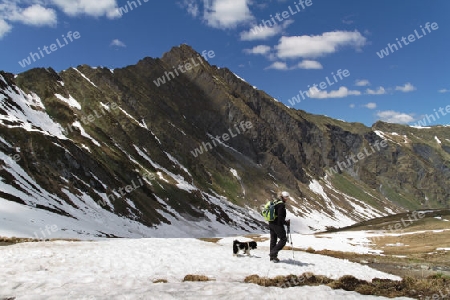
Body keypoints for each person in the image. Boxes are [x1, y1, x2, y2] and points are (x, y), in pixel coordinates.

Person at [269, 191, 290, 263]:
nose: (287, 199)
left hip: (271, 223)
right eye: (286, 197)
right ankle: (273, 253)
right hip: (277, 224)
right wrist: (286, 223)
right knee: (283, 239)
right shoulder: (281, 205)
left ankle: (272, 258)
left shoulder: (275, 202)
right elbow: (280, 217)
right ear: (283, 197)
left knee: (273, 240)